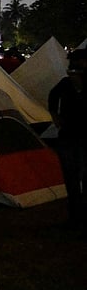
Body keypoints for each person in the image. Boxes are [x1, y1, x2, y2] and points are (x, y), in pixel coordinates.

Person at [48, 48, 87, 232]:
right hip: (68, 136)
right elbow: (52, 97)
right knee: (71, 180)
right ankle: (75, 218)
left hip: (81, 137)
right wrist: (56, 117)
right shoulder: (65, 84)